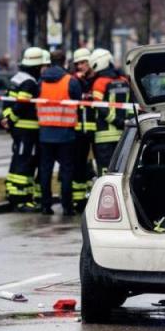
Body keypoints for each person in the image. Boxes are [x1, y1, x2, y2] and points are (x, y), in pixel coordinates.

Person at [36, 48, 84, 216]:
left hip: (45, 133)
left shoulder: (41, 81)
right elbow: (79, 100)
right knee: (66, 171)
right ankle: (66, 206)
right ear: (64, 62)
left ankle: (45, 205)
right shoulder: (70, 81)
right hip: (66, 134)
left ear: (49, 61)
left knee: (45, 170)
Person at [1, 47, 45, 212]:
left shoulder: (16, 78)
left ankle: (12, 191)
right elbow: (22, 104)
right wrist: (11, 119)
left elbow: (7, 102)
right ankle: (21, 199)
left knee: (18, 159)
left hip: (18, 130)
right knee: (25, 162)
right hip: (27, 130)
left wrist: (7, 119)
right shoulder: (29, 83)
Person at [88, 48, 132, 174]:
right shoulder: (124, 80)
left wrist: (117, 121)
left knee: (105, 170)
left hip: (103, 136)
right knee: (122, 170)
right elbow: (130, 104)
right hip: (124, 134)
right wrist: (127, 122)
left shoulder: (99, 83)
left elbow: (100, 107)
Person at [70, 47, 95, 212]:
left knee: (94, 166)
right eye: (78, 63)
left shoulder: (96, 79)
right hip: (79, 131)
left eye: (84, 62)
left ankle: (92, 198)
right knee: (79, 165)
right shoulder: (74, 81)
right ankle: (79, 200)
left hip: (96, 130)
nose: (81, 66)